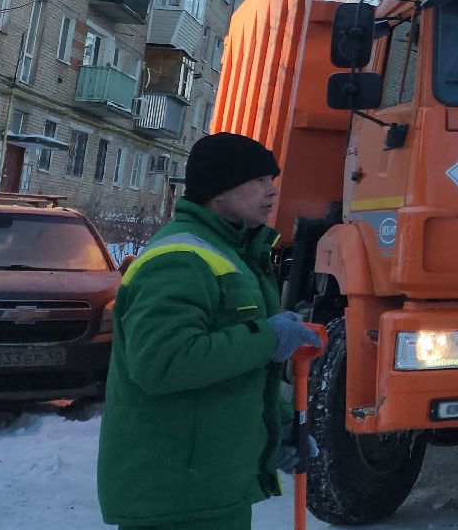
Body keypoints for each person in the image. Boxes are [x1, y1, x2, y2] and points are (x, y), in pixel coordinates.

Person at [97, 132, 323, 530]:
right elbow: (162, 363)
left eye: (271, 180)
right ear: (219, 190)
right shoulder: (180, 259)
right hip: (178, 497)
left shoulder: (232, 253)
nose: (272, 192)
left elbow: (239, 371)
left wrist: (280, 427)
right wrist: (268, 338)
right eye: (258, 181)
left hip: (213, 484)